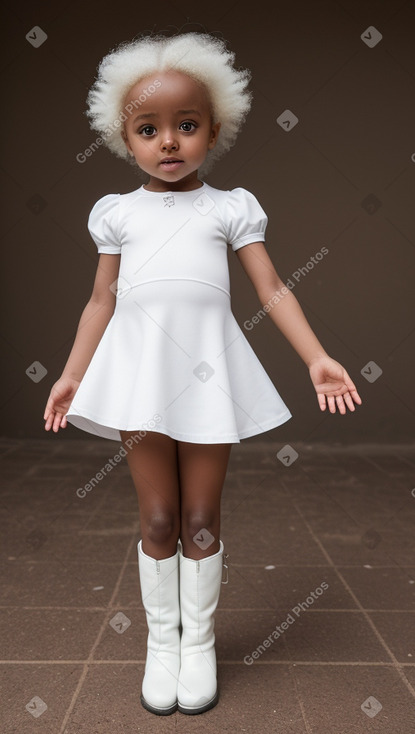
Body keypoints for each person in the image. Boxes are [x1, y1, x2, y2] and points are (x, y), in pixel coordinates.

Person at [43, 31, 362, 717]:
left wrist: (316, 357)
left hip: (207, 375)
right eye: (148, 129)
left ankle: (199, 645)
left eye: (185, 127)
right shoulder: (117, 214)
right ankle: (164, 642)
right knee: (156, 517)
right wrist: (73, 374)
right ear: (123, 138)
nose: (168, 142)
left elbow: (271, 288)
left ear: (213, 130)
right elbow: (101, 300)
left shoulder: (230, 207)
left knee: (199, 518)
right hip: (139, 377)